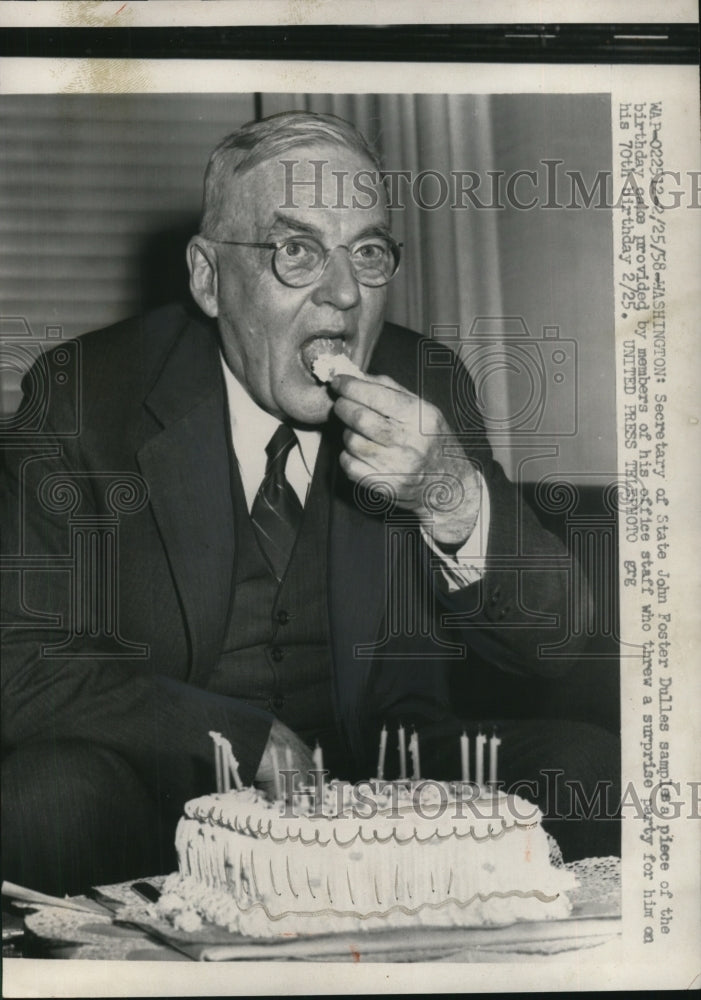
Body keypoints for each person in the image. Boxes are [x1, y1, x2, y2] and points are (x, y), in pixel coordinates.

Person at [1, 111, 619, 895]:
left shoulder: (423, 377)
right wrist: (236, 738)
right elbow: (18, 661)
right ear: (207, 277)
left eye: (367, 252)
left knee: (590, 767)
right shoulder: (84, 395)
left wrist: (452, 497)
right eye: (295, 251)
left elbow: (556, 645)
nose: (341, 294)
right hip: (166, 791)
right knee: (46, 800)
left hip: (389, 775)